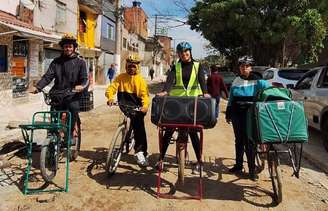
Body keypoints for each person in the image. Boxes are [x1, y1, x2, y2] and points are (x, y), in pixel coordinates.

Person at [157, 41, 210, 168]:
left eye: (186, 52)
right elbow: (170, 80)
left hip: (193, 102)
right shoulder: (176, 66)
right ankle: (161, 159)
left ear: (190, 52)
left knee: (193, 131)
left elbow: (202, 80)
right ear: (179, 54)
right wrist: (165, 91)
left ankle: (199, 160)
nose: (184, 54)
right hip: (178, 102)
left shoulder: (198, 66)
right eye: (181, 52)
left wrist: (205, 93)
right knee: (168, 130)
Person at [30, 33, 88, 137]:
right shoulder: (56, 62)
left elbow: (84, 79)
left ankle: (70, 133)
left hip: (73, 94)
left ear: (74, 48)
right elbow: (48, 76)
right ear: (62, 48)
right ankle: (54, 133)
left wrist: (81, 86)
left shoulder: (80, 62)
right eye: (66, 46)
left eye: (70, 46)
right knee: (54, 112)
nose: (68, 49)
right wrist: (38, 87)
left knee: (73, 108)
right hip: (58, 93)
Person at [225, 56, 271, 180]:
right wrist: (228, 113)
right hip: (237, 113)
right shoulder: (236, 80)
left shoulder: (259, 81)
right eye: (241, 66)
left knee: (249, 142)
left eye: (246, 66)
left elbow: (269, 92)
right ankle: (239, 165)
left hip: (251, 114)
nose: (244, 68)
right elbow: (231, 98)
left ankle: (251, 170)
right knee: (238, 140)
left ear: (251, 67)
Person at [105, 54, 150, 167]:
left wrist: (145, 106)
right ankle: (125, 135)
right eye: (129, 66)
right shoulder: (120, 77)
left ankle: (141, 152)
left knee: (139, 127)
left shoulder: (141, 81)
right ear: (126, 66)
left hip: (137, 108)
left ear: (137, 67)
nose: (131, 68)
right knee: (125, 123)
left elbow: (145, 96)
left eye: (133, 66)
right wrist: (110, 97)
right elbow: (112, 87)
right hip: (124, 105)